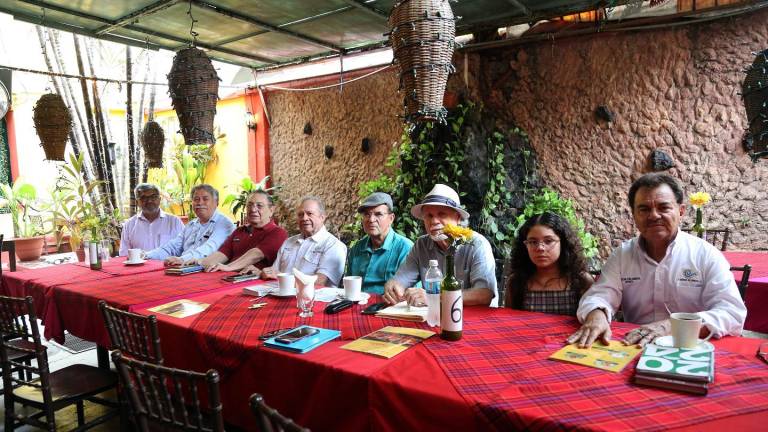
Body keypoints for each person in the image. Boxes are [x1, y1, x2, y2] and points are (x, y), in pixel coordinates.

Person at [567, 173, 746, 348]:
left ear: (681, 211)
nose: (653, 215)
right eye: (644, 209)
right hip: (634, 345)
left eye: (663, 207)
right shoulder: (623, 255)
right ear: (634, 215)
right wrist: (597, 313)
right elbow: (601, 294)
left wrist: (672, 326)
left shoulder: (705, 255)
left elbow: (731, 312)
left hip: (689, 346)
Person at [383, 184, 498, 307]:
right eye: (429, 216)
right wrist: (393, 287)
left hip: (477, 320)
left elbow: (484, 294)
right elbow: (400, 281)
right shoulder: (421, 245)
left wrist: (435, 298)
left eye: (442, 214)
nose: (434, 221)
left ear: (458, 218)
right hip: (433, 317)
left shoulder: (476, 244)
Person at [505, 212, 592, 316]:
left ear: (563, 243)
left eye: (548, 241)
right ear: (525, 245)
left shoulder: (580, 281)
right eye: (533, 242)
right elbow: (509, 321)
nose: (540, 248)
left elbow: (594, 322)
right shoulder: (516, 282)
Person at [258, 196, 346, 287]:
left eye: (310, 213)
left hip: (314, 299)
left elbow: (320, 282)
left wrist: (281, 278)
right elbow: (273, 272)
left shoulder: (333, 245)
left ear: (322, 217)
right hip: (277, 294)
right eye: (300, 214)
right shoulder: (288, 242)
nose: (304, 218)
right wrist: (266, 273)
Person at [196, 190, 288, 273]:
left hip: (252, 282)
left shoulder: (278, 232)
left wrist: (228, 267)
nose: (253, 209)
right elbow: (222, 253)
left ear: (271, 210)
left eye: (259, 206)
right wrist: (199, 262)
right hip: (226, 277)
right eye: (250, 205)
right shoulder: (240, 230)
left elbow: (256, 254)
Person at [145, 184, 235, 266]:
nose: (200, 203)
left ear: (216, 203)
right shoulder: (191, 224)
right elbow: (172, 247)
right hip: (184, 268)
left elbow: (209, 248)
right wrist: (146, 255)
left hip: (205, 270)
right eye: (196, 199)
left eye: (205, 199)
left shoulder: (224, 224)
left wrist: (182, 259)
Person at [346, 192, 413, 294]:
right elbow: (348, 285)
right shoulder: (357, 248)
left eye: (378, 214)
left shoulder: (405, 248)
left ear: (391, 218)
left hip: (389, 307)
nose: (371, 220)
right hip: (356, 305)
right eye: (366, 214)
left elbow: (411, 293)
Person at [118, 183, 184, 257]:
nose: (149, 201)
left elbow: (185, 248)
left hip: (169, 267)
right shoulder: (129, 225)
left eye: (153, 197)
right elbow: (124, 255)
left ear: (159, 199)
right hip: (140, 268)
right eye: (144, 198)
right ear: (137, 202)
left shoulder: (175, 222)